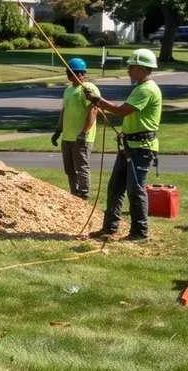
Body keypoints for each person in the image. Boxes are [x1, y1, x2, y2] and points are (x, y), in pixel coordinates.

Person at [89, 48, 162, 241]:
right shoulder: (140, 88)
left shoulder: (147, 89)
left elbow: (122, 111)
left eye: (131, 66)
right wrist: (101, 102)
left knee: (135, 189)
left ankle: (139, 233)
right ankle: (110, 228)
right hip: (130, 146)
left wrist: (99, 101)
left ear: (142, 68)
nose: (128, 70)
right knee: (115, 186)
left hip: (141, 148)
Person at [50, 57, 101, 200]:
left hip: (81, 138)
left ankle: (83, 196)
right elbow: (64, 112)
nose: (74, 76)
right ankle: (74, 195)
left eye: (77, 73)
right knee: (70, 169)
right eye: (70, 73)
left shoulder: (89, 89)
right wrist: (58, 131)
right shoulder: (68, 90)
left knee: (82, 168)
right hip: (67, 136)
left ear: (83, 73)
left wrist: (84, 133)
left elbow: (93, 111)